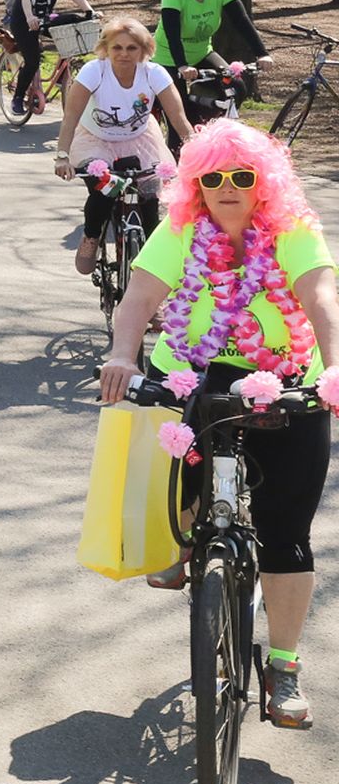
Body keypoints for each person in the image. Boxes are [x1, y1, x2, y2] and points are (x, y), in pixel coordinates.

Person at [96, 119, 337, 729]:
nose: (227, 187)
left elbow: (320, 299)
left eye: (242, 176)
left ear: (265, 184)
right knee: (186, 484)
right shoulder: (180, 232)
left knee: (285, 533)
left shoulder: (294, 233)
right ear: (195, 184)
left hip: (287, 381)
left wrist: (335, 372)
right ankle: (187, 544)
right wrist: (123, 355)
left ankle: (282, 666)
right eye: (213, 177)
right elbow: (139, 300)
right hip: (194, 377)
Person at [54, 18, 194, 274]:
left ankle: (153, 277)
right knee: (104, 191)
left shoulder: (154, 74)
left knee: (150, 205)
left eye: (132, 48)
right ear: (106, 49)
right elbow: (71, 116)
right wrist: (62, 156)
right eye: (117, 48)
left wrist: (199, 153)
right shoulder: (93, 71)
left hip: (140, 139)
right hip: (95, 140)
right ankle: (91, 237)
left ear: (144, 50)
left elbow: (178, 119)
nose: (124, 54)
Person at [157, 0, 268, 132]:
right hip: (169, 58)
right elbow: (173, 36)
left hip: (202, 53)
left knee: (236, 87)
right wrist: (181, 66)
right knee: (178, 115)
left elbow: (242, 22)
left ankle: (207, 128)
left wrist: (262, 53)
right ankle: (180, 143)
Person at [4, 0, 96, 115]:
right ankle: (17, 98)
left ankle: (63, 76)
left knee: (74, 21)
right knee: (32, 61)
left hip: (45, 19)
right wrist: (30, 17)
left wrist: (89, 10)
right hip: (23, 21)